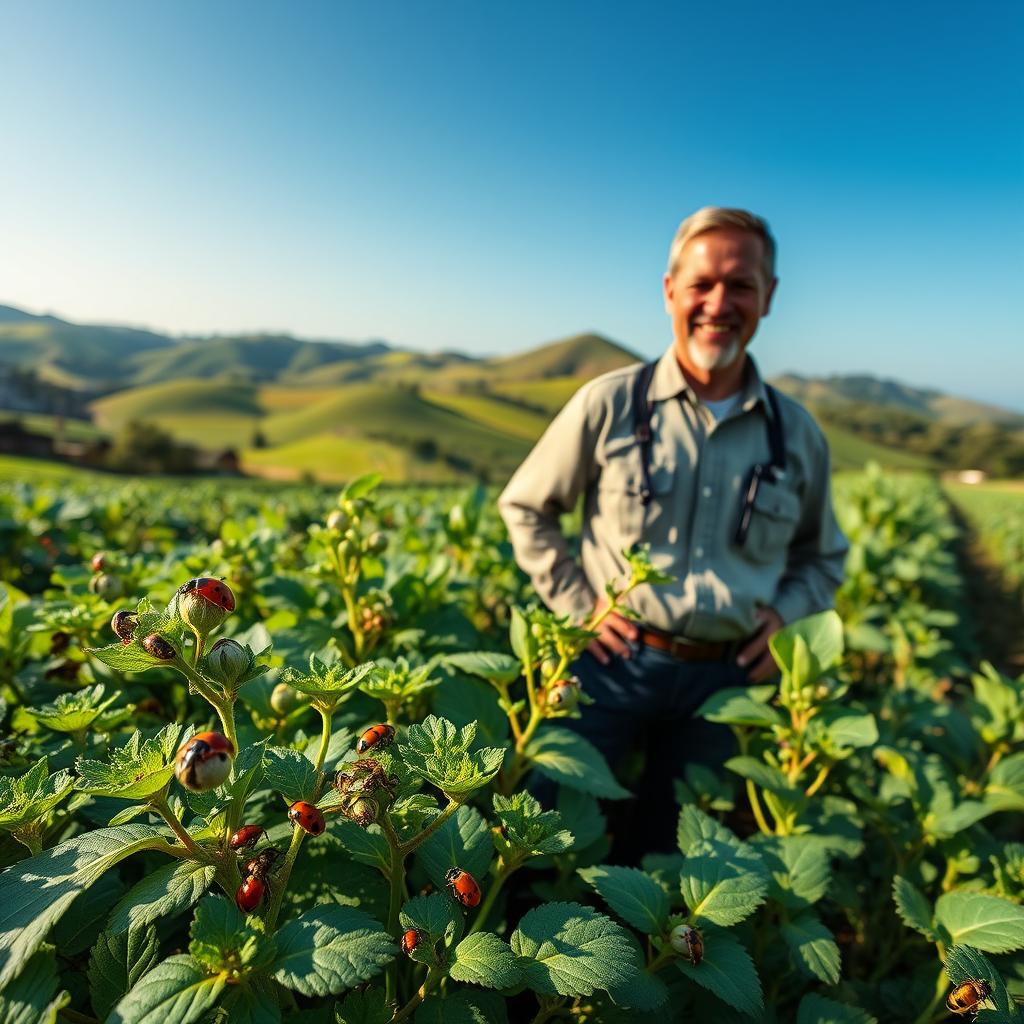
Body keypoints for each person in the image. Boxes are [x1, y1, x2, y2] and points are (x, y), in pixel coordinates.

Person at [498, 206, 848, 861]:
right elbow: (526, 508)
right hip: (608, 668)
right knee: (549, 848)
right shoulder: (609, 403)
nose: (719, 303)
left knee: (685, 866)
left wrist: (788, 618)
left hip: (729, 685)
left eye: (741, 285)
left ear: (768, 297)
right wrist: (581, 608)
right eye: (702, 284)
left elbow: (823, 557)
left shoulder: (796, 434)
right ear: (669, 292)